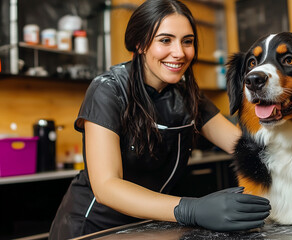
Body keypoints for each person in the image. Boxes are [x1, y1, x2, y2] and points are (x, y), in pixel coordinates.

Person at [48, 0, 271, 239]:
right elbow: (106, 187)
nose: (179, 52)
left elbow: (244, 146)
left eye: (187, 41)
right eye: (165, 40)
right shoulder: (108, 90)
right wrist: (191, 209)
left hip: (147, 227)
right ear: (140, 44)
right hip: (95, 229)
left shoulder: (188, 94)